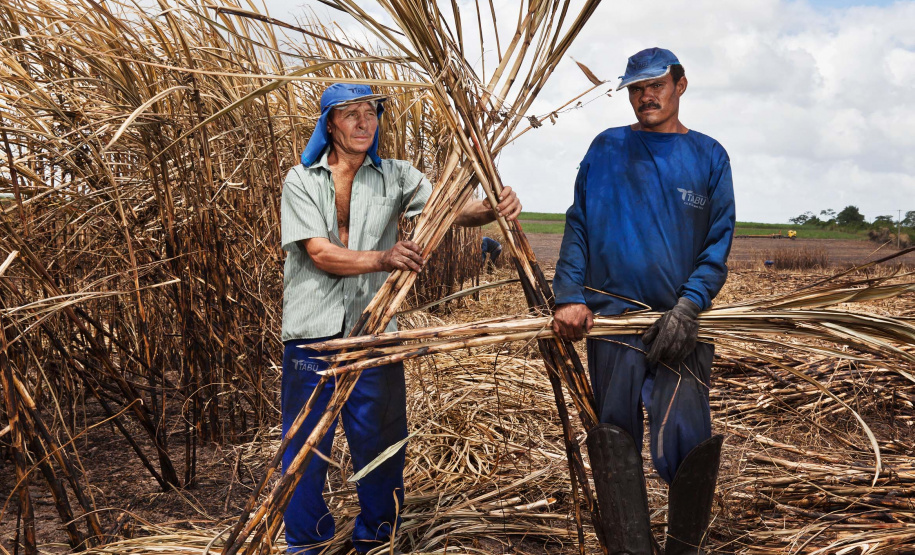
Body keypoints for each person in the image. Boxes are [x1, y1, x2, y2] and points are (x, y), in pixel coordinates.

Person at [280, 83, 521, 555]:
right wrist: (384, 258)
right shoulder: (301, 179)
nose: (363, 122)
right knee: (305, 448)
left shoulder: (396, 176)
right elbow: (321, 253)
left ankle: (376, 541)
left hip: (375, 331)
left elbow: (451, 210)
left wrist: (491, 207)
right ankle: (307, 545)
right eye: (350, 114)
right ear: (330, 123)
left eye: (370, 112)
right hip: (313, 337)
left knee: (382, 445)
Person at [551, 48, 735, 554]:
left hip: (680, 325)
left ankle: (682, 548)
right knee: (615, 432)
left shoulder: (709, 156)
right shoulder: (607, 148)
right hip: (612, 323)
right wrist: (567, 294)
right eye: (635, 88)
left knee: (689, 434)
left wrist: (688, 308)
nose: (645, 96)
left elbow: (717, 245)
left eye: (655, 85)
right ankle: (630, 549)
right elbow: (579, 224)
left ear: (681, 84)